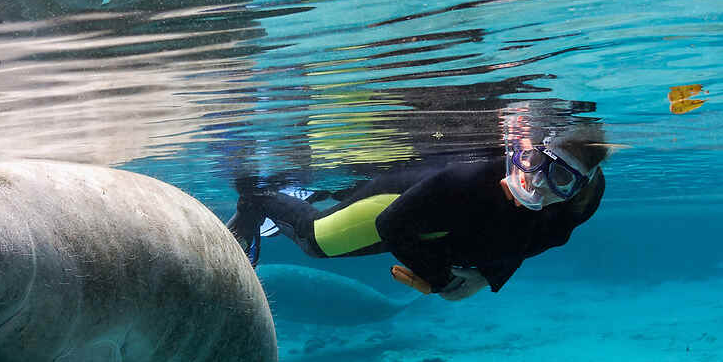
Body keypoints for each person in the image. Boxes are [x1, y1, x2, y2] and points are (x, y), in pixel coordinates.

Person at [226, 123, 610, 300]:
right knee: (317, 243)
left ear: (580, 188)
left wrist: (485, 278)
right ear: (520, 151)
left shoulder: (574, 209)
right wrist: (441, 281)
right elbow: (391, 225)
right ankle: (257, 198)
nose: (537, 183)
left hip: (444, 235)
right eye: (532, 162)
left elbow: (526, 242)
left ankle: (316, 194)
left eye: (559, 178)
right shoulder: (467, 179)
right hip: (404, 204)